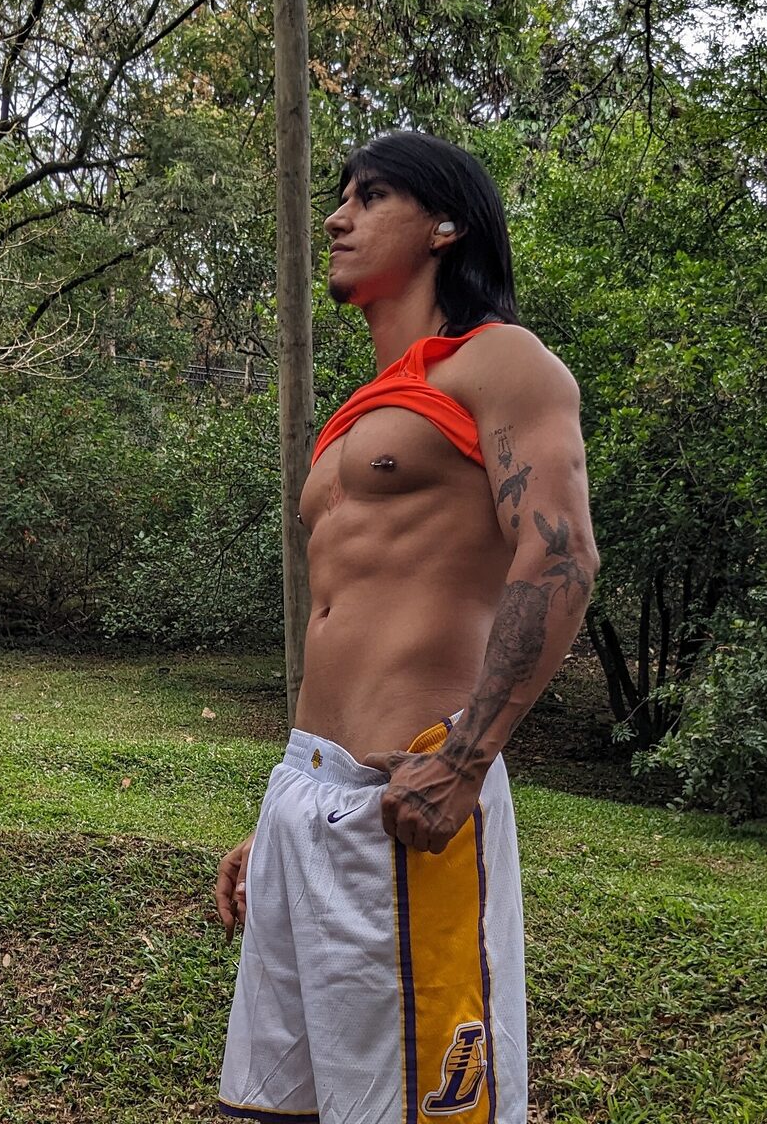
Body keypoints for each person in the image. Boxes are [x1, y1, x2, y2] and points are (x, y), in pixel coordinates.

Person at [214, 131, 599, 1124]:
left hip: (414, 792)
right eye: (339, 196)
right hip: (306, 791)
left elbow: (560, 557)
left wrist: (466, 759)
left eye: (369, 195)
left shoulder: (500, 363)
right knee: (264, 1110)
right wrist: (281, 817)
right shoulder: (354, 418)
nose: (336, 217)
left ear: (445, 224)